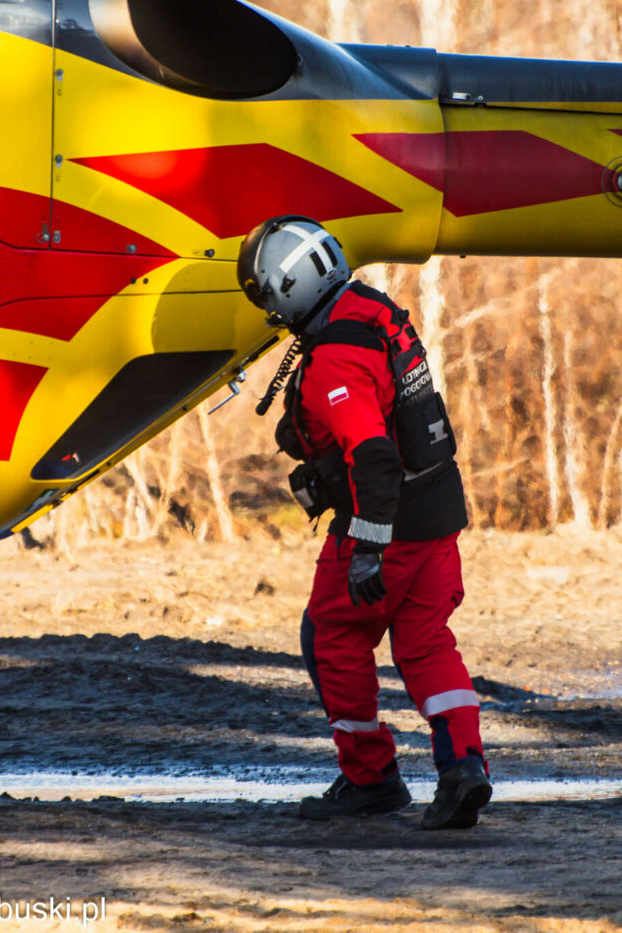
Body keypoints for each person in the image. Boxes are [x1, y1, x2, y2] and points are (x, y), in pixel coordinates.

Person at [238, 215, 491, 830]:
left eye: (265, 297)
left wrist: (368, 548)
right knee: (426, 643)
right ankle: (464, 766)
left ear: (288, 289)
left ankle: (370, 779)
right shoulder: (372, 310)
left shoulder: (335, 359)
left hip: (384, 522)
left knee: (332, 638)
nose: (268, 311)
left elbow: (373, 455)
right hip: (439, 512)